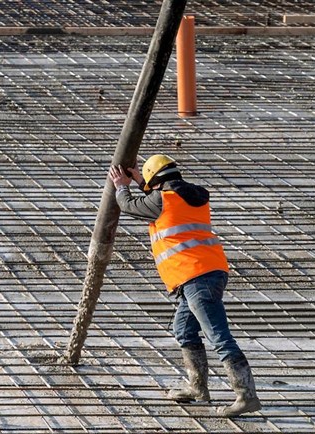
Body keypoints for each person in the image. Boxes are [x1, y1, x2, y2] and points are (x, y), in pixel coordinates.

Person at [108, 154, 260, 417]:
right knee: (184, 329)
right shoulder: (194, 197)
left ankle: (246, 396)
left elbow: (130, 205)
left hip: (196, 277)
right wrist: (143, 181)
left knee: (218, 336)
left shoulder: (161, 200)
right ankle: (198, 389)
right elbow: (164, 198)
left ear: (156, 182)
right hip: (208, 272)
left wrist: (122, 185)